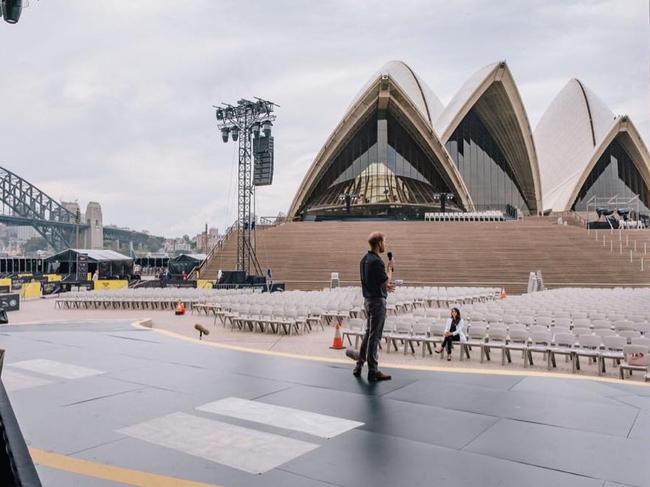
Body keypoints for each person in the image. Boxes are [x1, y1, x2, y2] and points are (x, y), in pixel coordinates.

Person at [354, 231, 394, 382]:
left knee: (368, 333)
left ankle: (359, 366)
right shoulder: (377, 261)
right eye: (384, 242)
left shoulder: (364, 260)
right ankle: (373, 370)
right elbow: (386, 281)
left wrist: (384, 286)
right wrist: (390, 268)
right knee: (375, 336)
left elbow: (371, 281)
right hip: (377, 302)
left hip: (368, 300)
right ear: (379, 244)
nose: (385, 245)